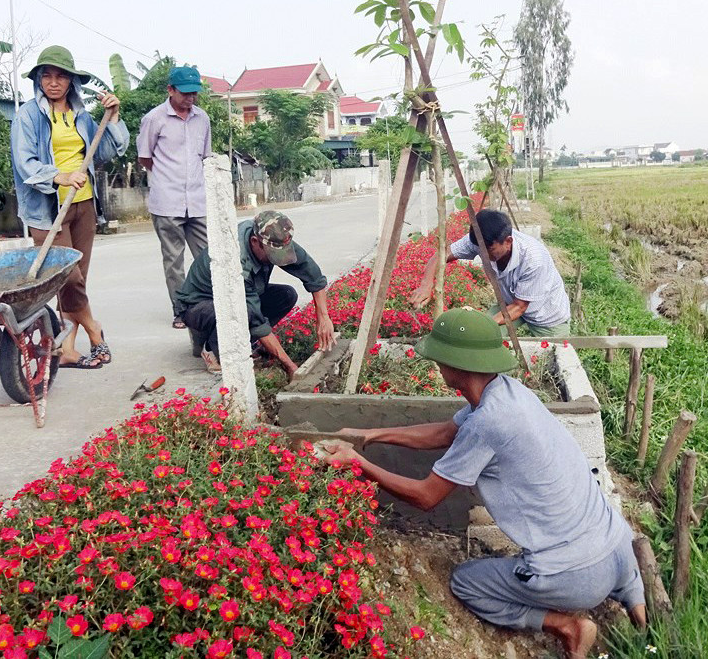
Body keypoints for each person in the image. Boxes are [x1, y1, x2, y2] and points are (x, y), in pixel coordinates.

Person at [321, 308, 646, 659]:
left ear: (455, 366)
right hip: (619, 550)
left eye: (440, 360)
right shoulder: (508, 393)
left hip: (574, 578)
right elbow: (447, 432)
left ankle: (567, 626)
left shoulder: (488, 422)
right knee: (621, 587)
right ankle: (644, 624)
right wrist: (368, 434)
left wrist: (358, 464)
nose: (437, 367)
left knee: (466, 582)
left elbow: (426, 496)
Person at [11, 45, 129, 369]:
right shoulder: (28, 116)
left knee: (79, 280)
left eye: (60, 76)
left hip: (83, 205)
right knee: (69, 278)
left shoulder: (81, 116)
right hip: (48, 211)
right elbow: (25, 163)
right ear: (37, 79)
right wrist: (59, 176)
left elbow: (105, 151)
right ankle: (94, 329)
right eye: (46, 76)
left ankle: (66, 349)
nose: (53, 82)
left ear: (71, 81)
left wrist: (114, 117)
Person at [176, 211, 336, 378]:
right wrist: (290, 366)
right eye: (274, 256)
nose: (278, 259)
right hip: (198, 304)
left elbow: (313, 276)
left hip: (239, 296)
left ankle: (245, 341)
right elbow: (257, 322)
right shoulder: (237, 262)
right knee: (247, 313)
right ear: (255, 242)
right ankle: (212, 348)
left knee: (286, 295)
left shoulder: (273, 237)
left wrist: (323, 317)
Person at [409, 209, 571, 337]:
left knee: (552, 359)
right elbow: (441, 255)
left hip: (546, 313)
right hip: (509, 303)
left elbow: (520, 307)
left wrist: (484, 325)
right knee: (482, 340)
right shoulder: (481, 239)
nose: (484, 254)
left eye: (490, 250)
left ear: (508, 241)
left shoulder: (534, 258)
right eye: (480, 249)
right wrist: (426, 284)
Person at [137, 66, 212, 330]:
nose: (190, 99)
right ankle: (181, 311)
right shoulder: (154, 119)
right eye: (185, 93)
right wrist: (167, 178)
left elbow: (205, 156)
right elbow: (145, 158)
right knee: (174, 260)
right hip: (167, 201)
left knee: (207, 257)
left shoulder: (202, 118)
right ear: (170, 90)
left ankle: (210, 307)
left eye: (194, 94)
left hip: (198, 200)